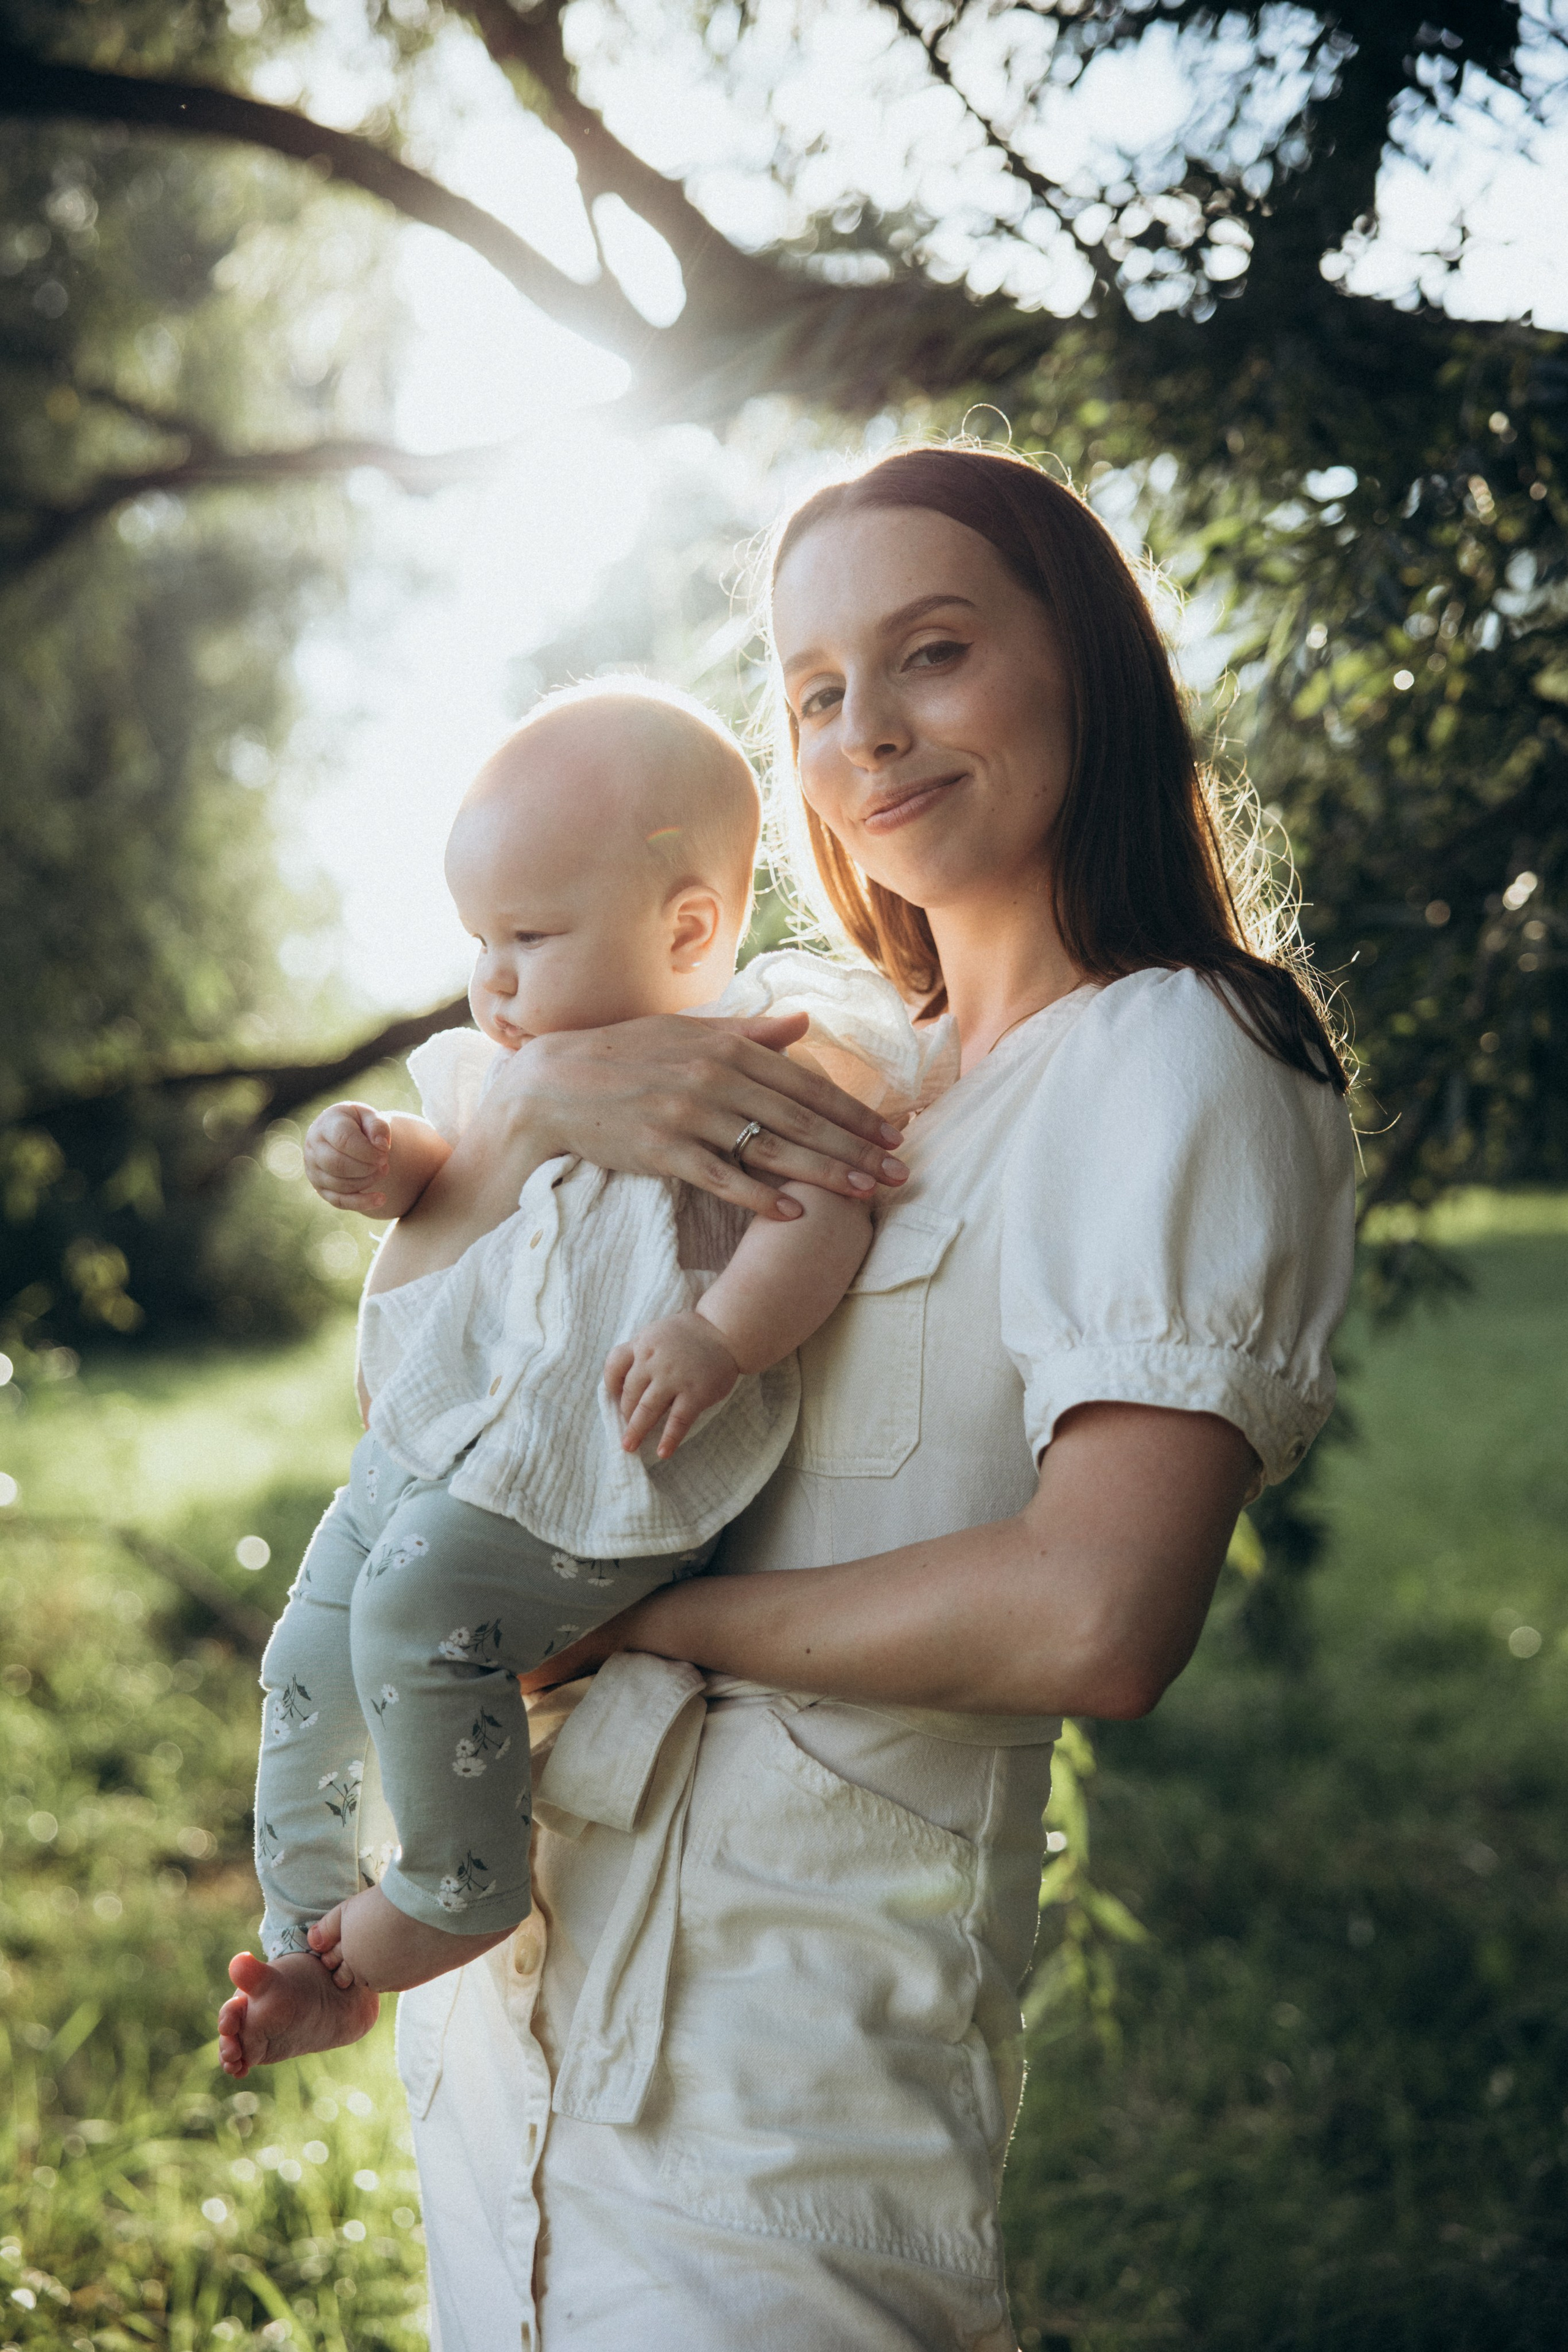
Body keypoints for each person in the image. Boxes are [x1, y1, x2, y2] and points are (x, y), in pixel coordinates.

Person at [365, 445, 1359, 2351]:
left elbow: (1100, 1613)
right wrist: (532, 1119)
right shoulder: (837, 1058)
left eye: (934, 654)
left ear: (1085, 664)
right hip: (523, 2025)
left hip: (784, 2070)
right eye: (817, 692)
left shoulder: (1176, 1054)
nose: (868, 733)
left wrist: (637, 1618)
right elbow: (432, 1391)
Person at [217, 679, 951, 2082]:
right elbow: (455, 1186)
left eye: (528, 937)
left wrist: (721, 1335)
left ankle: (454, 1882)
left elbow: (830, 1206)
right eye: (477, 941)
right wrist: (389, 1165)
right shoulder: (501, 1065)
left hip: (586, 1464)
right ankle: (308, 1925)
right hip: (436, 1443)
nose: (491, 979)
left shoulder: (764, 1041)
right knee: (308, 1653)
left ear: (683, 926)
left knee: (416, 1613)